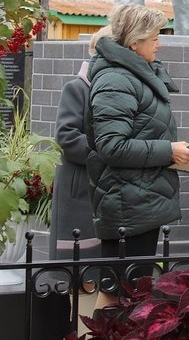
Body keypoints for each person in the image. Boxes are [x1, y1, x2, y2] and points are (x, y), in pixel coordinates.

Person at [86, 4, 189, 311]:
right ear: (134, 42)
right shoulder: (115, 80)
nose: (160, 42)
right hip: (126, 204)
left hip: (140, 200)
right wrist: (169, 150)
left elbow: (145, 140)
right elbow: (112, 146)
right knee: (117, 294)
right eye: (155, 36)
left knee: (130, 294)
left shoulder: (134, 76)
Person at [50, 26, 111, 263]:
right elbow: (67, 136)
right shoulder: (77, 88)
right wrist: (108, 151)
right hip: (81, 188)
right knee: (81, 267)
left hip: (103, 189)